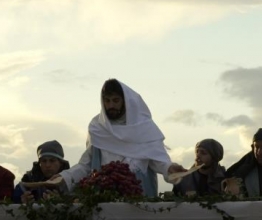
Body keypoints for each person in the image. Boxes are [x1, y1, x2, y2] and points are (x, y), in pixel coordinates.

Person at [55, 79, 185, 197]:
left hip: (140, 198)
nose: (111, 105)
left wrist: (170, 168)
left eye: (116, 101)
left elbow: (158, 160)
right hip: (104, 197)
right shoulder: (98, 128)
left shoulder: (144, 128)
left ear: (125, 102)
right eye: (107, 101)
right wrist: (65, 177)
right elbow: (86, 165)